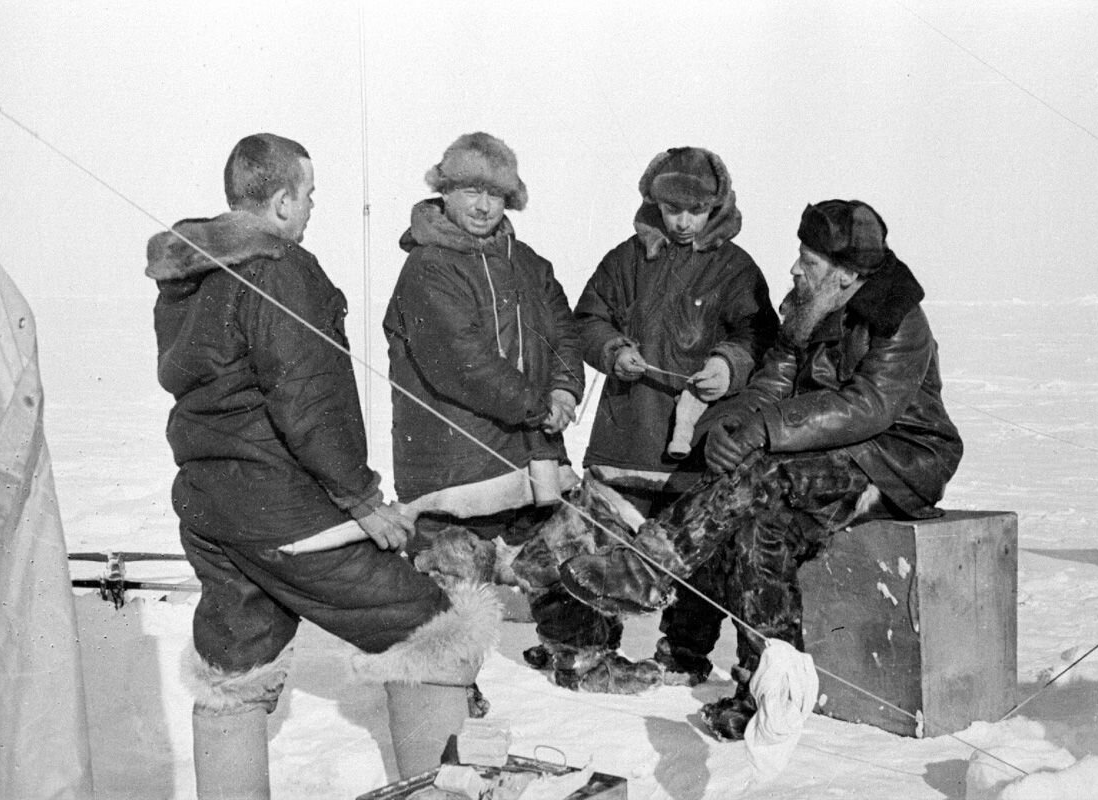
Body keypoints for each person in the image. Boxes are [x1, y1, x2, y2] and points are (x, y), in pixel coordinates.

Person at [146, 133, 499, 796]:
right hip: (285, 508)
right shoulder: (279, 267)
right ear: (281, 201)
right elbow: (309, 398)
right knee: (432, 623)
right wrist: (363, 499)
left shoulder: (188, 278)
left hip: (208, 506)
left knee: (235, 665)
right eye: (307, 195)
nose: (311, 208)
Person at [560, 199, 963, 740]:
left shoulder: (899, 320)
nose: (796, 269)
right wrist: (728, 428)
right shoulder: (809, 306)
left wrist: (766, 432)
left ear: (846, 276)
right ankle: (768, 689)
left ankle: (648, 567)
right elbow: (772, 384)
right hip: (821, 454)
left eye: (810, 262)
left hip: (895, 460)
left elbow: (867, 407)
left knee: (766, 477)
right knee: (757, 529)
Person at [384, 132, 633, 691]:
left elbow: (564, 332)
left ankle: (581, 659)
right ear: (443, 191)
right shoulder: (426, 270)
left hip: (527, 451)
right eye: (468, 190)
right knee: (453, 573)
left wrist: (565, 391)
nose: (481, 206)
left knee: (566, 550)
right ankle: (443, 692)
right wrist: (534, 405)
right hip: (455, 462)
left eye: (494, 195)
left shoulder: (530, 265)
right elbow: (460, 359)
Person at [566, 146, 779, 689]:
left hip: (699, 438)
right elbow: (587, 318)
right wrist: (612, 348)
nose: (683, 221)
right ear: (653, 203)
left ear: (718, 207)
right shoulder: (625, 260)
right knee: (606, 540)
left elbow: (759, 336)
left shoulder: (736, 268)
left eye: (696, 210)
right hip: (626, 431)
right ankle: (592, 648)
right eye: (671, 209)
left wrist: (729, 366)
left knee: (695, 551)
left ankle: (684, 651)